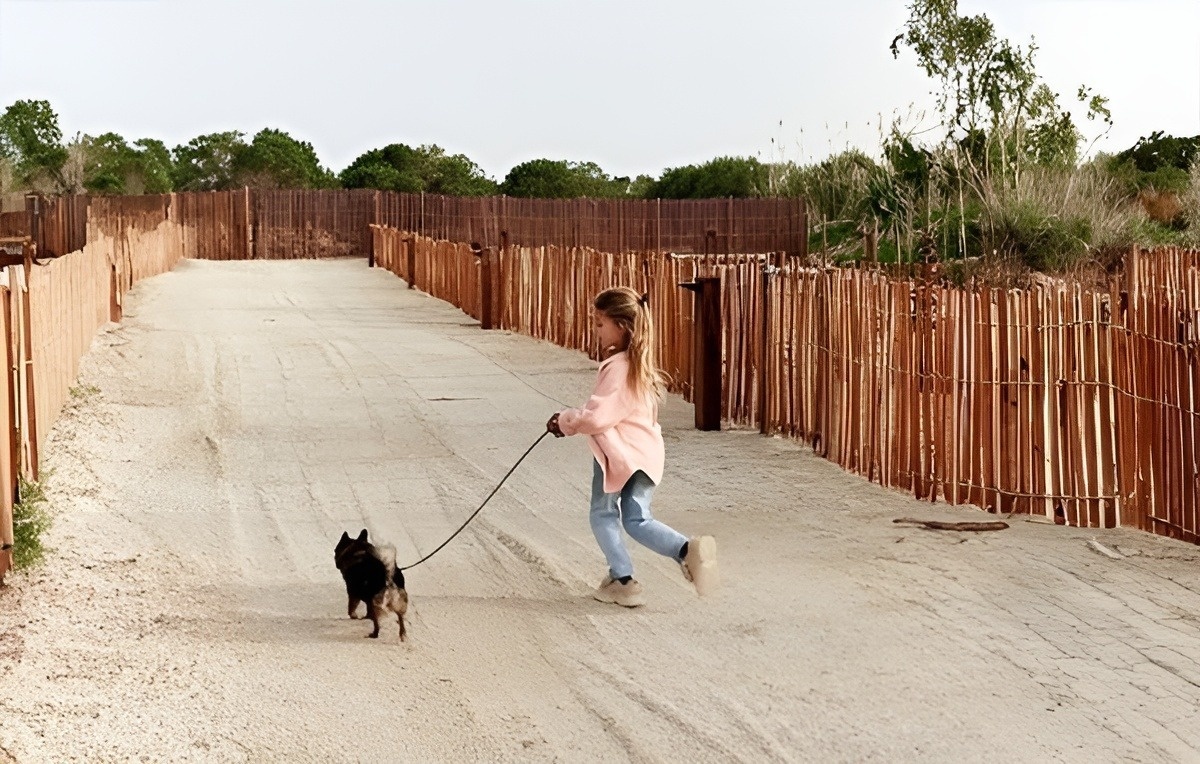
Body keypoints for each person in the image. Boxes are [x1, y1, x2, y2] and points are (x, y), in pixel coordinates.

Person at [547, 286, 718, 607]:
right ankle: (685, 551)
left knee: (602, 512)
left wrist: (565, 420)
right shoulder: (641, 368)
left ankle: (622, 580)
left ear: (622, 326)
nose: (595, 331)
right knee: (638, 518)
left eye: (600, 324)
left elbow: (598, 417)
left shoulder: (620, 368)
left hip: (618, 455)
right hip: (647, 455)